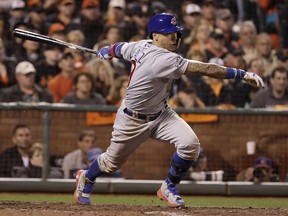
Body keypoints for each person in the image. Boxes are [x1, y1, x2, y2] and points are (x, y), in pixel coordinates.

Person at [73, 13, 264, 207]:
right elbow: (205, 69)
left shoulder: (142, 45)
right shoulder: (162, 59)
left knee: (190, 145)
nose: (174, 37)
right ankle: (86, 178)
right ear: (155, 36)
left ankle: (169, 186)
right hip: (132, 120)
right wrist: (240, 73)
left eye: (175, 33)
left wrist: (109, 50)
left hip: (161, 114)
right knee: (110, 164)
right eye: (168, 33)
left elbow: (122, 48)